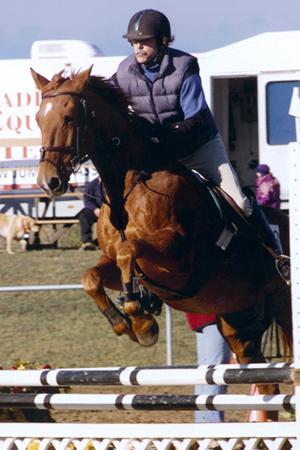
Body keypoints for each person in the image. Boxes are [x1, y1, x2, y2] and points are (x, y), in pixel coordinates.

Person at [112, 8, 290, 284]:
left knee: (240, 202)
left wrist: (160, 137)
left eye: (144, 41)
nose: (138, 46)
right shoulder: (124, 71)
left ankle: (276, 256)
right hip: (158, 155)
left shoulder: (184, 66)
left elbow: (193, 118)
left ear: (163, 41)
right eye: (134, 42)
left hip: (198, 147)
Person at [185, 312, 231, 423]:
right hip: (213, 314)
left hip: (197, 316)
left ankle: (202, 422)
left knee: (204, 371)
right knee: (216, 370)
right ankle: (213, 424)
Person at [78, 176, 103, 250]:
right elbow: (87, 200)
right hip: (97, 210)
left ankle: (98, 242)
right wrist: (95, 209)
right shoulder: (92, 184)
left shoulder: (113, 183)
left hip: (110, 210)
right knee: (84, 215)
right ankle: (87, 242)